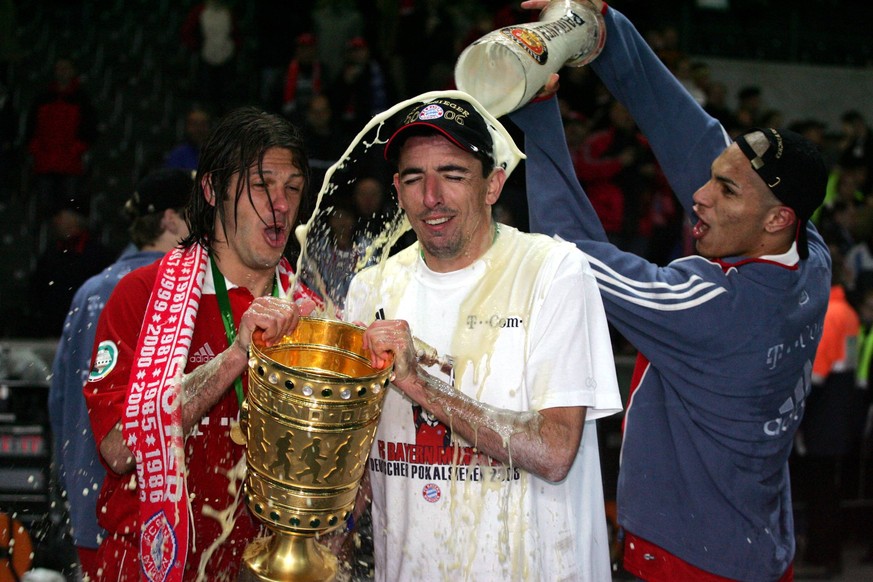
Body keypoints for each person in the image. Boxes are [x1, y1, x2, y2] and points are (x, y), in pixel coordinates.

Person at [510, 1, 831, 580]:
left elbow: (569, 252)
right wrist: (607, 33)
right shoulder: (811, 257)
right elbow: (695, 139)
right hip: (757, 547)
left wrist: (537, 108)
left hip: (686, 560)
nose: (699, 196)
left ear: (776, 219)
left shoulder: (714, 307)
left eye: (725, 190)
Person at [342, 93, 623, 581]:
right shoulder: (372, 286)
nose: (431, 196)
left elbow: (555, 452)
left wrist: (421, 385)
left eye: (453, 175)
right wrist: (326, 540)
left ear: (493, 184)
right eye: (413, 178)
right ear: (397, 187)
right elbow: (358, 454)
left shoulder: (552, 271)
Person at [83, 107, 319, 581]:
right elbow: (119, 449)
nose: (280, 204)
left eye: (292, 188)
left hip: (264, 567)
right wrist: (236, 356)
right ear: (212, 189)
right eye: (261, 185)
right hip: (149, 564)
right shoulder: (143, 295)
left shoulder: (309, 312)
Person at [48, 167, 193, 581]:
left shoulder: (90, 290)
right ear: (170, 219)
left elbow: (59, 400)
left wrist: (74, 490)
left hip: (89, 511)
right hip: (151, 518)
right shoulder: (178, 293)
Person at [791, 242, 859, 577]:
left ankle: (823, 554)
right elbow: (848, 369)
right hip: (840, 415)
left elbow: (814, 377)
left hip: (823, 419)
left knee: (820, 491)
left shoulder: (831, 314)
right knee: (827, 490)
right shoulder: (847, 313)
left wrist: (796, 418)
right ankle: (827, 552)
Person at [26, 56, 97, 215]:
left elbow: (89, 132)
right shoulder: (42, 98)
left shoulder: (82, 100)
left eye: (66, 68)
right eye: (59, 68)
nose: (62, 72)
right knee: (44, 207)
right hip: (44, 163)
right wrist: (37, 151)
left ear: (73, 72)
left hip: (71, 165)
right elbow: (31, 130)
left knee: (70, 206)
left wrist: (74, 151)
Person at [164, 105, 211, 172]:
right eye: (194, 124)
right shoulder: (178, 155)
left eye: (203, 124)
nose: (199, 129)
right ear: (186, 127)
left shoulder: (216, 153)